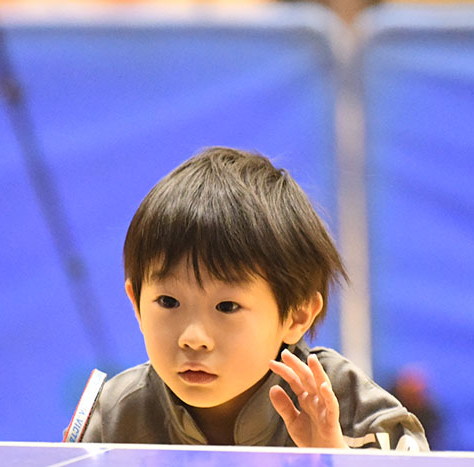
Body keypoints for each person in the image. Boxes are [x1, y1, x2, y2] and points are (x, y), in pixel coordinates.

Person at [78, 147, 427, 450]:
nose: (193, 338)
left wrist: (338, 463)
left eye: (227, 307)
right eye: (168, 302)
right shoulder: (114, 415)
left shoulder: (347, 404)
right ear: (136, 303)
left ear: (297, 315)